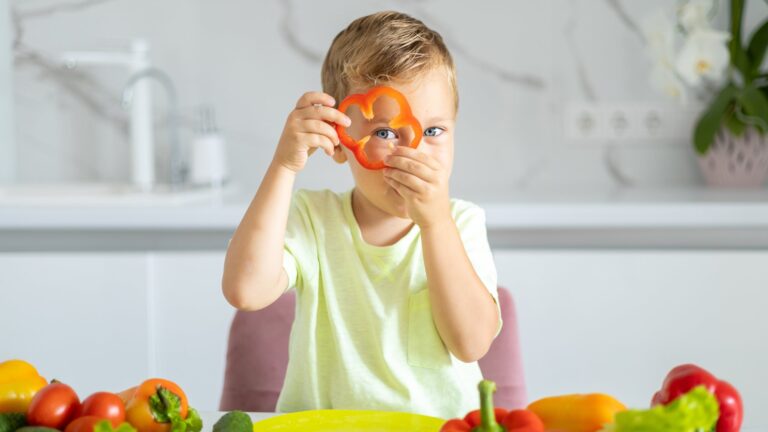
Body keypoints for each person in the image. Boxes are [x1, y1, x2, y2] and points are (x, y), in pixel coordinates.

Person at [222, 11, 501, 418]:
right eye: (384, 132)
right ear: (338, 141)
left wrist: (435, 223)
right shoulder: (313, 218)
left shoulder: (462, 224)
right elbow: (245, 290)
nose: (414, 152)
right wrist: (284, 165)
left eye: (434, 132)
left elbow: (471, 343)